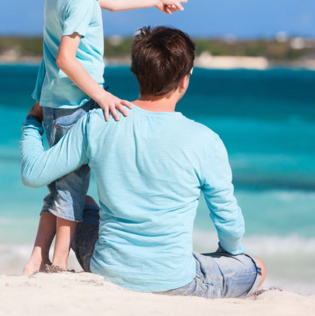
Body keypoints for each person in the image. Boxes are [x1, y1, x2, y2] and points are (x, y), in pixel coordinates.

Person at [21, 26, 266, 298]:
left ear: (136, 73)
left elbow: (33, 174)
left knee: (83, 204)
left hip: (106, 271)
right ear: (185, 80)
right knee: (256, 267)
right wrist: (229, 253)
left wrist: (33, 122)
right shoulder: (205, 141)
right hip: (175, 281)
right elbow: (229, 225)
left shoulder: (99, 121)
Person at [24, 0, 188, 275]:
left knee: (60, 187)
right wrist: (101, 96)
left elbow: (111, 1)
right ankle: (59, 264)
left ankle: (38, 256)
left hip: (55, 101)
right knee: (72, 191)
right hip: (75, 104)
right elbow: (66, 57)